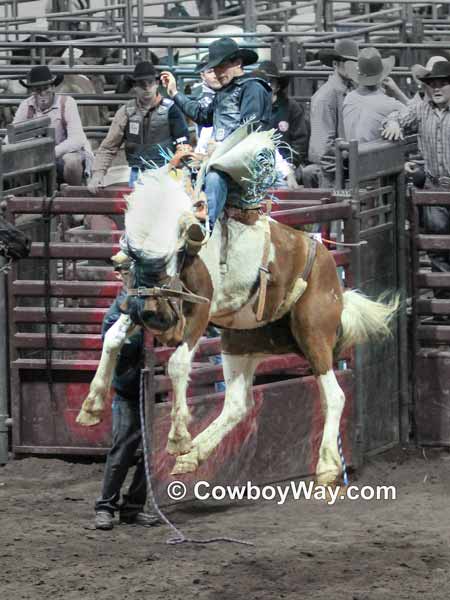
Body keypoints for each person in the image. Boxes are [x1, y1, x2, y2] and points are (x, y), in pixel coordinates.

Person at [160, 37, 272, 230]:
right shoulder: (226, 91)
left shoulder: (253, 87)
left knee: (214, 176)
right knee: (179, 174)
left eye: (221, 67)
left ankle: (205, 229)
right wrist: (174, 93)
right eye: (215, 68)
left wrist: (222, 148)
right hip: (222, 158)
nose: (218, 73)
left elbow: (251, 128)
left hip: (244, 161)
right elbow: (202, 115)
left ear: (237, 63)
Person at [94, 279, 160, 531]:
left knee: (150, 453)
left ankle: (133, 508)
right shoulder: (117, 314)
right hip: (129, 392)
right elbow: (115, 344)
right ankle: (105, 507)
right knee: (122, 450)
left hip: (153, 391)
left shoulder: (160, 312)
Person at [383, 60, 450, 274]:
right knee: (437, 247)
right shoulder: (421, 109)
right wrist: (393, 123)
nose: (436, 88)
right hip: (435, 187)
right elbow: (396, 116)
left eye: (443, 83)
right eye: (432, 84)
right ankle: (443, 298)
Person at [88, 61, 190, 194]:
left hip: (167, 170)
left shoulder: (171, 110)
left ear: (157, 84)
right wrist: (98, 174)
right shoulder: (126, 112)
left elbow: (183, 146)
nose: (147, 88)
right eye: (142, 84)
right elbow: (109, 146)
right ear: (135, 86)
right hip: (137, 172)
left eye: (150, 83)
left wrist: (173, 166)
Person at [12, 65, 92, 187]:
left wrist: (52, 152)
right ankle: (28, 199)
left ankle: (74, 196)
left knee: (72, 163)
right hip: (37, 155)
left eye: (46, 88)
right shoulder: (26, 105)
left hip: (63, 154)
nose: (43, 93)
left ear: (53, 87)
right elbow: (14, 134)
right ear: (32, 91)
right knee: (19, 160)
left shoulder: (67, 103)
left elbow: (77, 139)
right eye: (38, 90)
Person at [305, 39, 359, 188]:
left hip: (346, 168)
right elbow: (322, 146)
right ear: (335, 64)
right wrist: (338, 177)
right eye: (347, 62)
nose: (352, 66)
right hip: (334, 174)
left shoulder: (350, 90)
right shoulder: (326, 97)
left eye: (354, 62)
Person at [258, 60, 310, 188]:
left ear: (277, 86)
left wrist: (291, 163)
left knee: (282, 183)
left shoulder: (291, 107)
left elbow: (300, 140)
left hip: (287, 163)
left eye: (270, 82)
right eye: (261, 82)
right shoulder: (252, 108)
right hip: (257, 164)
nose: (265, 86)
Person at [343, 47, 408, 143]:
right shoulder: (389, 104)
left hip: (350, 153)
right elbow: (414, 113)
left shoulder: (349, 98)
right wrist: (397, 92)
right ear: (381, 76)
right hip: (373, 156)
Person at [189, 58, 222, 154]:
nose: (215, 75)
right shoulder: (199, 101)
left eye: (218, 69)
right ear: (202, 76)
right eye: (210, 71)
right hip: (205, 152)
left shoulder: (235, 93)